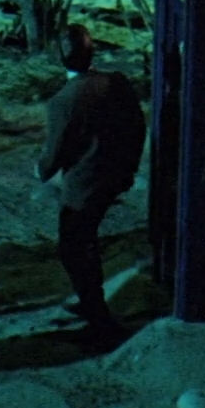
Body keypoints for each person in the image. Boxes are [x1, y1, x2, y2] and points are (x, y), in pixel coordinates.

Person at [35, 24, 145, 344]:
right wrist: (129, 168)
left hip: (82, 186)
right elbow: (136, 127)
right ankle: (91, 305)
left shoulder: (62, 102)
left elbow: (54, 153)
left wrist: (40, 170)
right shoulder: (116, 83)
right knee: (87, 244)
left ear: (59, 58)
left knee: (73, 248)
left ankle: (98, 318)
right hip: (113, 177)